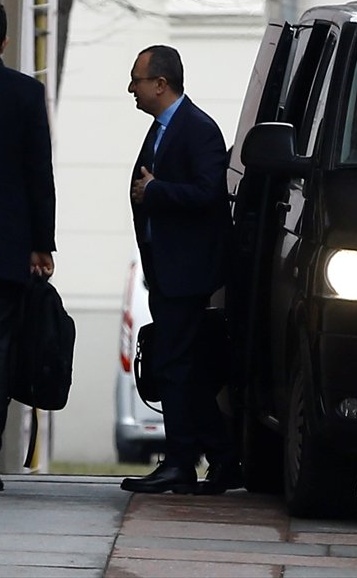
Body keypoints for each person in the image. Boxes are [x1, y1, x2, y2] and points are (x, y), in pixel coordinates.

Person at [120, 44, 241, 495]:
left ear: (160, 83)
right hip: (167, 270)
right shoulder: (161, 129)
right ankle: (220, 458)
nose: (131, 88)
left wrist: (156, 192)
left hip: (189, 273)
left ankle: (181, 462)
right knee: (179, 367)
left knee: (174, 364)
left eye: (136, 79)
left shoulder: (198, 129)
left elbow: (209, 194)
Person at [0, 0, 57, 493]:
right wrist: (42, 242)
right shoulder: (24, 93)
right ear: (4, 41)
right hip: (4, 249)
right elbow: (37, 174)